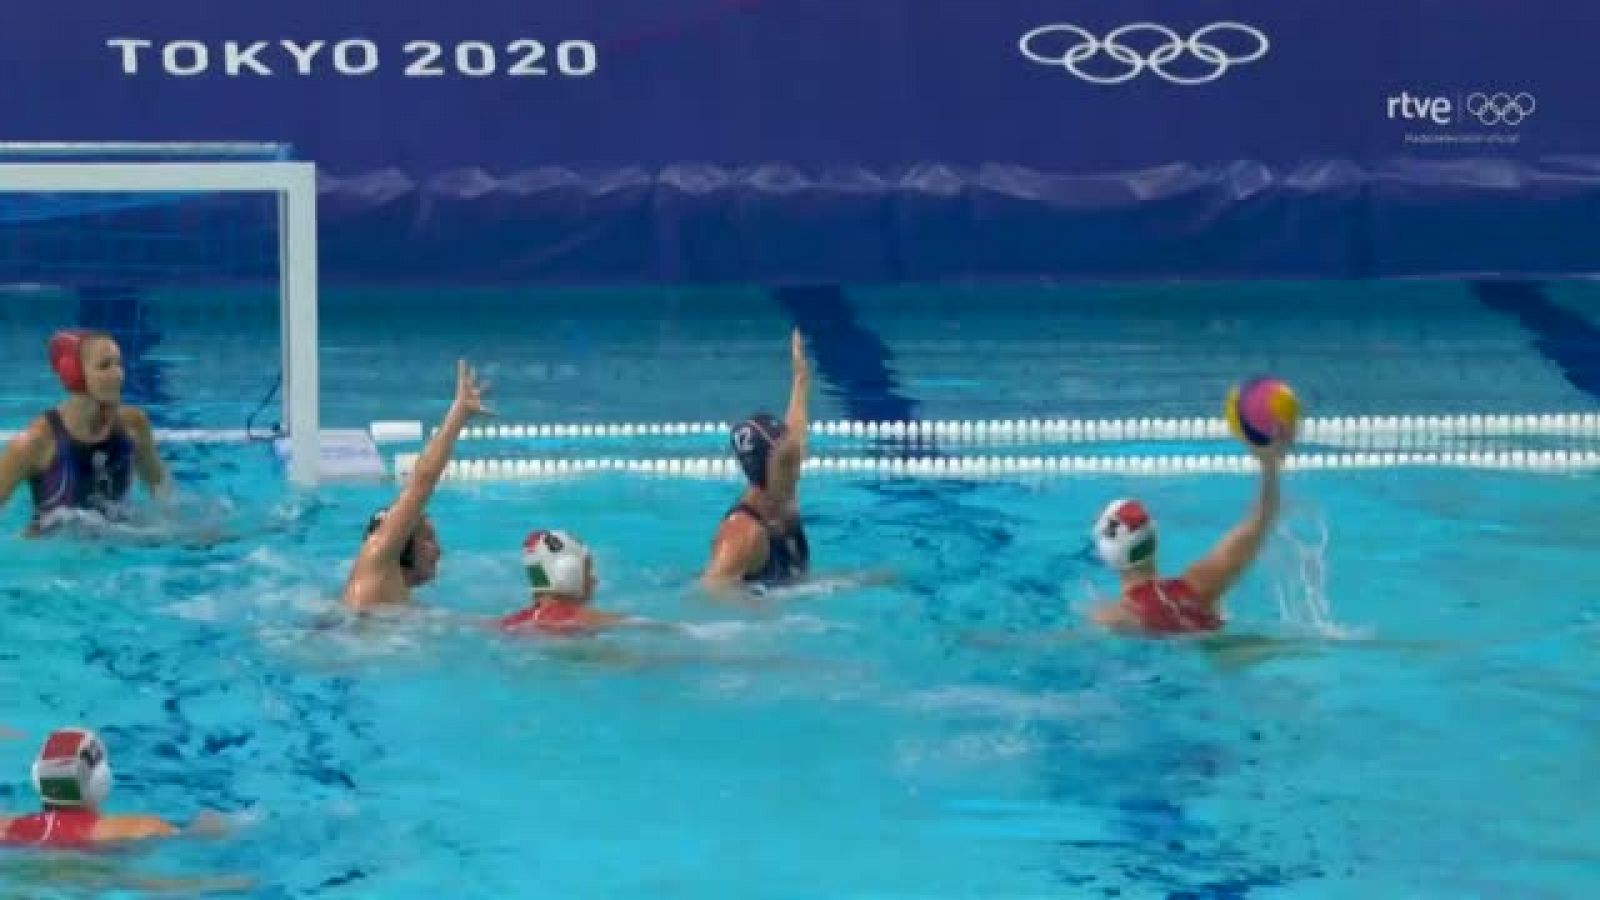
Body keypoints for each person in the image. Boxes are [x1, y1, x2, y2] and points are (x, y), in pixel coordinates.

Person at [1088, 429, 1292, 635]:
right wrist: (1270, 465)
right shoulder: (1201, 585)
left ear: (1106, 555)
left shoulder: (1113, 617)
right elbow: (1260, 519)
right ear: (1155, 540)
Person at [342, 360, 491, 613]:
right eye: (429, 539)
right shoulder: (379, 561)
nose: (439, 551)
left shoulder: (396, 597)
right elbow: (422, 482)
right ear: (402, 543)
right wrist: (459, 414)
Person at [0, 329, 169, 535]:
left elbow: (160, 489)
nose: (118, 374)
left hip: (117, 551)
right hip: (53, 559)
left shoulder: (133, 425)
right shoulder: (35, 443)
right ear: (74, 374)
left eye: (119, 364)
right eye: (105, 366)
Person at [701, 329, 811, 592]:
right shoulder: (743, 535)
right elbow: (709, 592)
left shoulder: (782, 494)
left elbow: (794, 437)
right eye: (787, 463)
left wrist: (801, 380)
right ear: (761, 469)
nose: (797, 469)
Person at [0, 727, 225, 847]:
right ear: (101, 780)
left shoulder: (6, 827)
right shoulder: (139, 828)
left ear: (36, 778)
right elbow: (200, 837)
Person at [497, 529, 678, 637]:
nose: (594, 580)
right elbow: (643, 625)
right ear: (567, 573)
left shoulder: (513, 622)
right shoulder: (585, 619)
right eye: (588, 570)